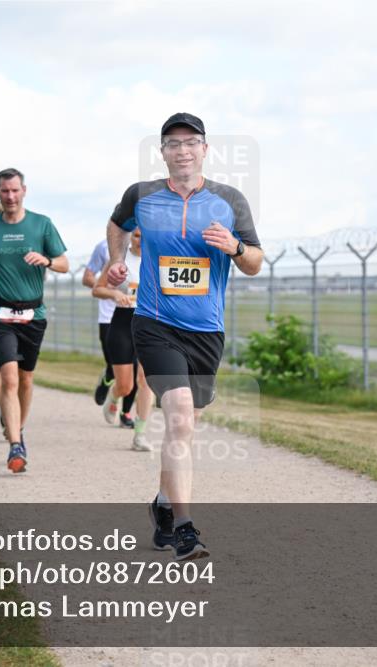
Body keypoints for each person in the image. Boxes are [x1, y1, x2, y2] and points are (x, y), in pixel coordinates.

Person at [105, 113, 263, 560]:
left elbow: (254, 262)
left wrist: (234, 247)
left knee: (187, 423)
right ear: (162, 152)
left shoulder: (229, 200)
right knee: (177, 416)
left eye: (190, 142)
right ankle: (187, 528)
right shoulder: (142, 195)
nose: (182, 150)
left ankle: (162, 506)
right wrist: (117, 262)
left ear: (205, 149)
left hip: (206, 329)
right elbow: (117, 224)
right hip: (154, 323)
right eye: (173, 144)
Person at [0, 168, 68, 473]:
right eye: (5, 191)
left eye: (15, 191)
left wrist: (48, 261)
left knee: (26, 379)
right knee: (9, 377)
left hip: (33, 314)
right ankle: (15, 445)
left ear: (24, 190)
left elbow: (64, 264)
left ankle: (19, 430)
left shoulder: (42, 225)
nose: (10, 197)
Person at [92, 228, 155, 451]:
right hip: (122, 322)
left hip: (149, 322)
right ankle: (114, 394)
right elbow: (97, 289)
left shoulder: (158, 257)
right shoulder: (119, 259)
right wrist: (115, 294)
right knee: (126, 385)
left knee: (147, 381)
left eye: (146, 236)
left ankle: (140, 435)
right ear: (131, 237)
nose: (141, 241)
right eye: (137, 235)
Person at [84, 239, 124, 414]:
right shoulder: (103, 246)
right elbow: (87, 277)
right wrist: (106, 287)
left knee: (137, 368)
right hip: (109, 315)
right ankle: (108, 377)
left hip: (137, 314)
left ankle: (126, 414)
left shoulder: (148, 242)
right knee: (114, 363)